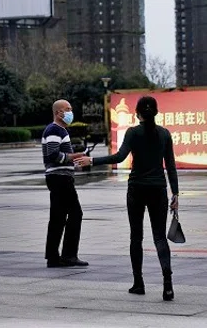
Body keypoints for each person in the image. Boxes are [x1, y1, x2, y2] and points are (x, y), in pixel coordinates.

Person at [77, 95, 178, 301]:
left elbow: (119, 157)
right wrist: (175, 193)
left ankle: (138, 283)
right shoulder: (165, 134)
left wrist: (92, 160)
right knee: (159, 237)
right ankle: (167, 284)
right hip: (158, 189)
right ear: (156, 112)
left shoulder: (133, 133)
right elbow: (171, 166)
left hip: (137, 189)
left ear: (137, 113)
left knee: (136, 237)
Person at [42, 99, 88, 268]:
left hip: (58, 177)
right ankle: (69, 255)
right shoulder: (55, 129)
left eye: (70, 108)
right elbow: (53, 156)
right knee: (76, 213)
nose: (70, 112)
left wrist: (74, 164)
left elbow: (59, 157)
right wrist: (75, 156)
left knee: (58, 217)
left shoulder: (60, 130)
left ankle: (53, 257)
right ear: (58, 112)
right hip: (60, 178)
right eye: (67, 109)